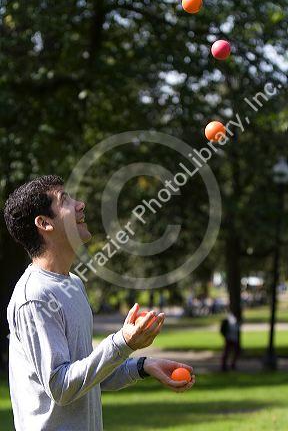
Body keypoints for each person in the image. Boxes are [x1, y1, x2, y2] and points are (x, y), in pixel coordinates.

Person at [4, 175, 195, 431]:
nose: (80, 204)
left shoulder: (73, 284)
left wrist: (143, 365)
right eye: (65, 200)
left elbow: (88, 374)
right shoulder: (35, 297)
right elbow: (61, 387)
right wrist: (121, 343)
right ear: (44, 223)